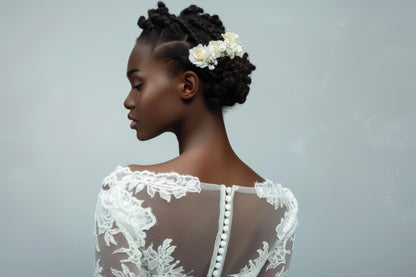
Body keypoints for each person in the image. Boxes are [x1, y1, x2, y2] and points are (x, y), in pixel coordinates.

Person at [93, 2, 298, 276]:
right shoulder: (282, 208)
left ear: (187, 85)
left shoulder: (126, 193)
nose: (128, 101)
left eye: (138, 85)